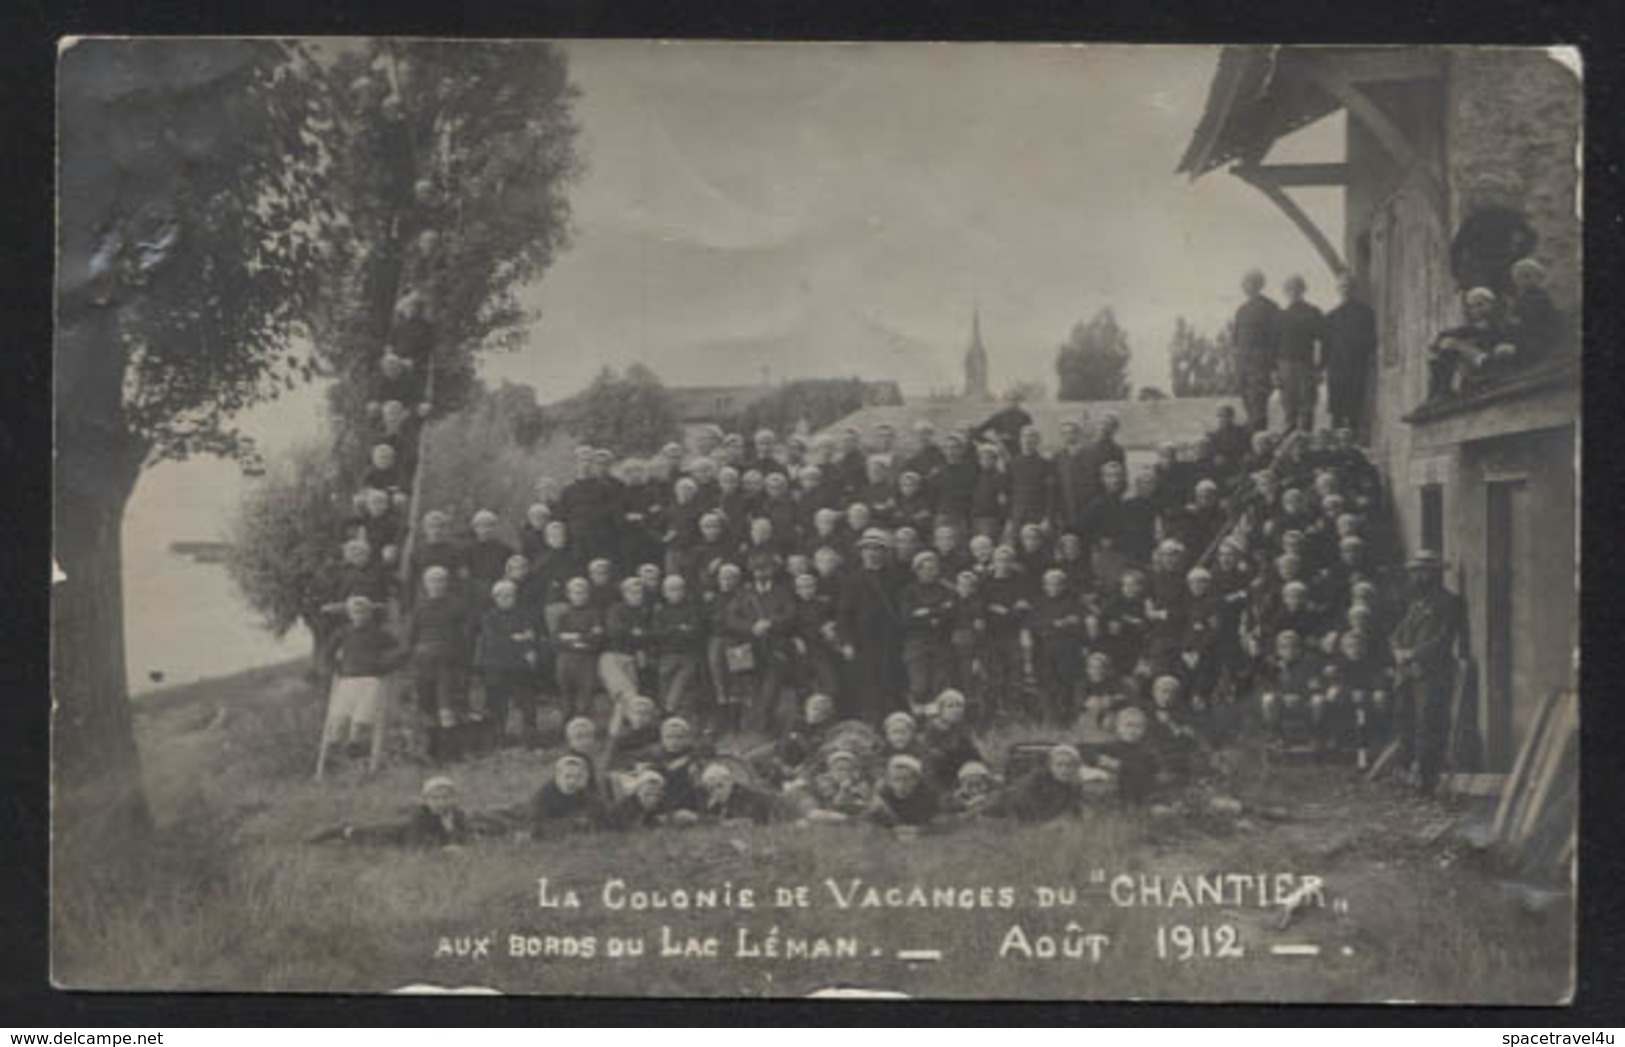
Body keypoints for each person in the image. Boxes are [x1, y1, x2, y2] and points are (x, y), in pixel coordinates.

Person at [1389, 550, 1464, 794]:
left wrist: (1414, 654)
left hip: (1432, 674)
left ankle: (1427, 780)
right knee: (1405, 721)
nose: (1418, 576)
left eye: (1423, 571)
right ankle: (1406, 774)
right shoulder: (1416, 604)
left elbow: (1444, 640)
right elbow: (1398, 632)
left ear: (1436, 573)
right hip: (1407, 672)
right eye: (1415, 571)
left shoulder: (1450, 602)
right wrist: (1398, 650)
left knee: (1428, 724)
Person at [316, 595, 407, 778]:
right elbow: (326, 653)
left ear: (370, 613)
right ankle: (334, 749)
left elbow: (401, 651)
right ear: (349, 614)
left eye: (363, 611)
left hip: (371, 678)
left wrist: (384, 666)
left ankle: (355, 743)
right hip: (347, 679)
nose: (360, 615)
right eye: (355, 611)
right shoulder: (343, 632)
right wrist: (336, 667)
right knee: (340, 715)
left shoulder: (379, 633)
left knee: (363, 715)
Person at [724, 550, 798, 733]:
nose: (761, 574)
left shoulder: (783, 592)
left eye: (765, 569)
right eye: (757, 570)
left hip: (775, 646)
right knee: (744, 691)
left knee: (771, 691)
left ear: (773, 570)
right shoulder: (743, 592)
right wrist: (751, 627)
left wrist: (770, 623)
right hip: (745, 646)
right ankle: (745, 730)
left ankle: (766, 728)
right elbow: (730, 618)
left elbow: (791, 615)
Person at [406, 566, 475, 763]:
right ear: (425, 584)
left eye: (441, 580)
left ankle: (451, 753)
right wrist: (414, 656)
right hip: (424, 663)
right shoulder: (419, 607)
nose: (437, 585)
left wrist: (463, 662)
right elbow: (411, 636)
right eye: (432, 581)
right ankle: (431, 752)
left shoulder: (458, 605)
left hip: (449, 663)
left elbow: (466, 635)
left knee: (446, 707)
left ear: (447, 583)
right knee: (426, 707)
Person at [837, 529, 905, 723]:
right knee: (866, 684)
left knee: (890, 682)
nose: (872, 553)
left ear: (884, 553)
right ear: (861, 553)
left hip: (890, 639)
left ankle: (891, 723)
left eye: (877, 549)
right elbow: (843, 614)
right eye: (867, 549)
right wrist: (847, 642)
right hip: (862, 640)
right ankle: (869, 723)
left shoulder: (894, 578)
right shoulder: (852, 579)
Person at [308, 776, 475, 849]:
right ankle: (341, 830)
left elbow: (467, 839)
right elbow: (413, 845)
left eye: (446, 798)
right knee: (363, 837)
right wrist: (443, 849)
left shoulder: (457, 814)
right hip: (395, 836)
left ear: (454, 798)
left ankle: (346, 831)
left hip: (421, 838)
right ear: (426, 800)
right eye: (435, 799)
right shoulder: (421, 815)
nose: (441, 803)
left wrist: (451, 831)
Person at [473, 579, 541, 751]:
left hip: (520, 667)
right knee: (497, 705)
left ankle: (530, 739)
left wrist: (525, 643)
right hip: (496, 667)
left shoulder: (524, 614)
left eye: (510, 595)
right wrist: (518, 639)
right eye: (501, 595)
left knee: (528, 703)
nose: (506, 598)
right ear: (494, 597)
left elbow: (532, 637)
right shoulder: (488, 617)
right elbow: (493, 642)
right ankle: (497, 739)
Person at [899, 550, 958, 714]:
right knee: (919, 686)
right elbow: (907, 617)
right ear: (917, 570)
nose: (930, 572)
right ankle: (917, 716)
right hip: (916, 643)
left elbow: (952, 612)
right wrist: (936, 613)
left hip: (941, 642)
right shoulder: (909, 591)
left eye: (933, 568)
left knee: (939, 685)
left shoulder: (947, 589)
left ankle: (937, 721)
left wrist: (925, 612)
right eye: (925, 569)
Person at [1322, 273, 1377, 434]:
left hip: (1356, 365)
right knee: (1336, 407)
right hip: (1336, 367)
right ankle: (1334, 443)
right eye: (1342, 287)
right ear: (1337, 290)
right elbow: (1326, 344)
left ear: (1355, 289)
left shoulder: (1366, 313)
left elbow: (1371, 340)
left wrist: (1364, 354)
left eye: (1349, 287)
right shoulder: (1331, 316)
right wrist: (1323, 366)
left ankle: (1354, 439)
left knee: (1355, 404)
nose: (1345, 290)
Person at [1232, 269, 1281, 432]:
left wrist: (1273, 367)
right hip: (1243, 363)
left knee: (1258, 405)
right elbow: (1235, 340)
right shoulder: (1241, 310)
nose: (1247, 287)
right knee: (1248, 405)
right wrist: (1237, 366)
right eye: (1245, 283)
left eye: (1252, 283)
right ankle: (1253, 441)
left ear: (1260, 285)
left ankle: (1260, 441)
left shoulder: (1270, 307)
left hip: (1261, 363)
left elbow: (1276, 339)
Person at [552, 577, 605, 724]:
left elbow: (597, 637)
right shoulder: (564, 615)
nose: (579, 596)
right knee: (566, 693)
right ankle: (566, 726)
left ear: (587, 594)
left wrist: (573, 636)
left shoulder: (594, 614)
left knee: (586, 694)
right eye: (575, 592)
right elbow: (556, 639)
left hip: (587, 659)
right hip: (566, 658)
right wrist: (579, 641)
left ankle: (584, 726)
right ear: (569, 594)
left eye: (582, 592)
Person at [1276, 275, 1323, 433]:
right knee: (1289, 406)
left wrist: (1319, 368)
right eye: (1289, 289)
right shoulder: (1280, 315)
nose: (1293, 292)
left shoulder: (1313, 312)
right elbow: (1273, 344)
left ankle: (1306, 442)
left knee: (1307, 405)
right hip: (1285, 366)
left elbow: (1322, 341)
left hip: (1305, 365)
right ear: (1285, 292)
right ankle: (1289, 443)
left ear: (1303, 290)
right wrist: (1275, 370)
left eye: (1297, 289)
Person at [526, 754, 606, 839]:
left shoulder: (585, 793)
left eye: (578, 777)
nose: (572, 781)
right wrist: (572, 823)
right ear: (557, 776)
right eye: (567, 776)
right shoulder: (542, 797)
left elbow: (601, 817)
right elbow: (536, 828)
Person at [866, 754, 940, 830]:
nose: (901, 785)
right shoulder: (883, 796)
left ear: (916, 781)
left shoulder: (926, 799)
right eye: (896, 779)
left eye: (906, 779)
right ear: (888, 781)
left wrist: (888, 812)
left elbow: (919, 823)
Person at [696, 762, 781, 825]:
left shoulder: (745, 796)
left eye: (720, 786)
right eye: (711, 790)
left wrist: (723, 823)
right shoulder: (722, 802)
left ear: (729, 781)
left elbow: (750, 822)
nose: (717, 792)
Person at [969, 389, 1034, 458]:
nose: (1013, 402)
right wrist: (993, 444)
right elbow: (976, 433)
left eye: (1015, 400)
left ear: (1019, 401)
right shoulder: (998, 417)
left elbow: (1031, 435)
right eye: (1009, 400)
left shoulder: (1025, 417)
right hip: (1002, 450)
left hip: (1020, 450)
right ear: (1004, 401)